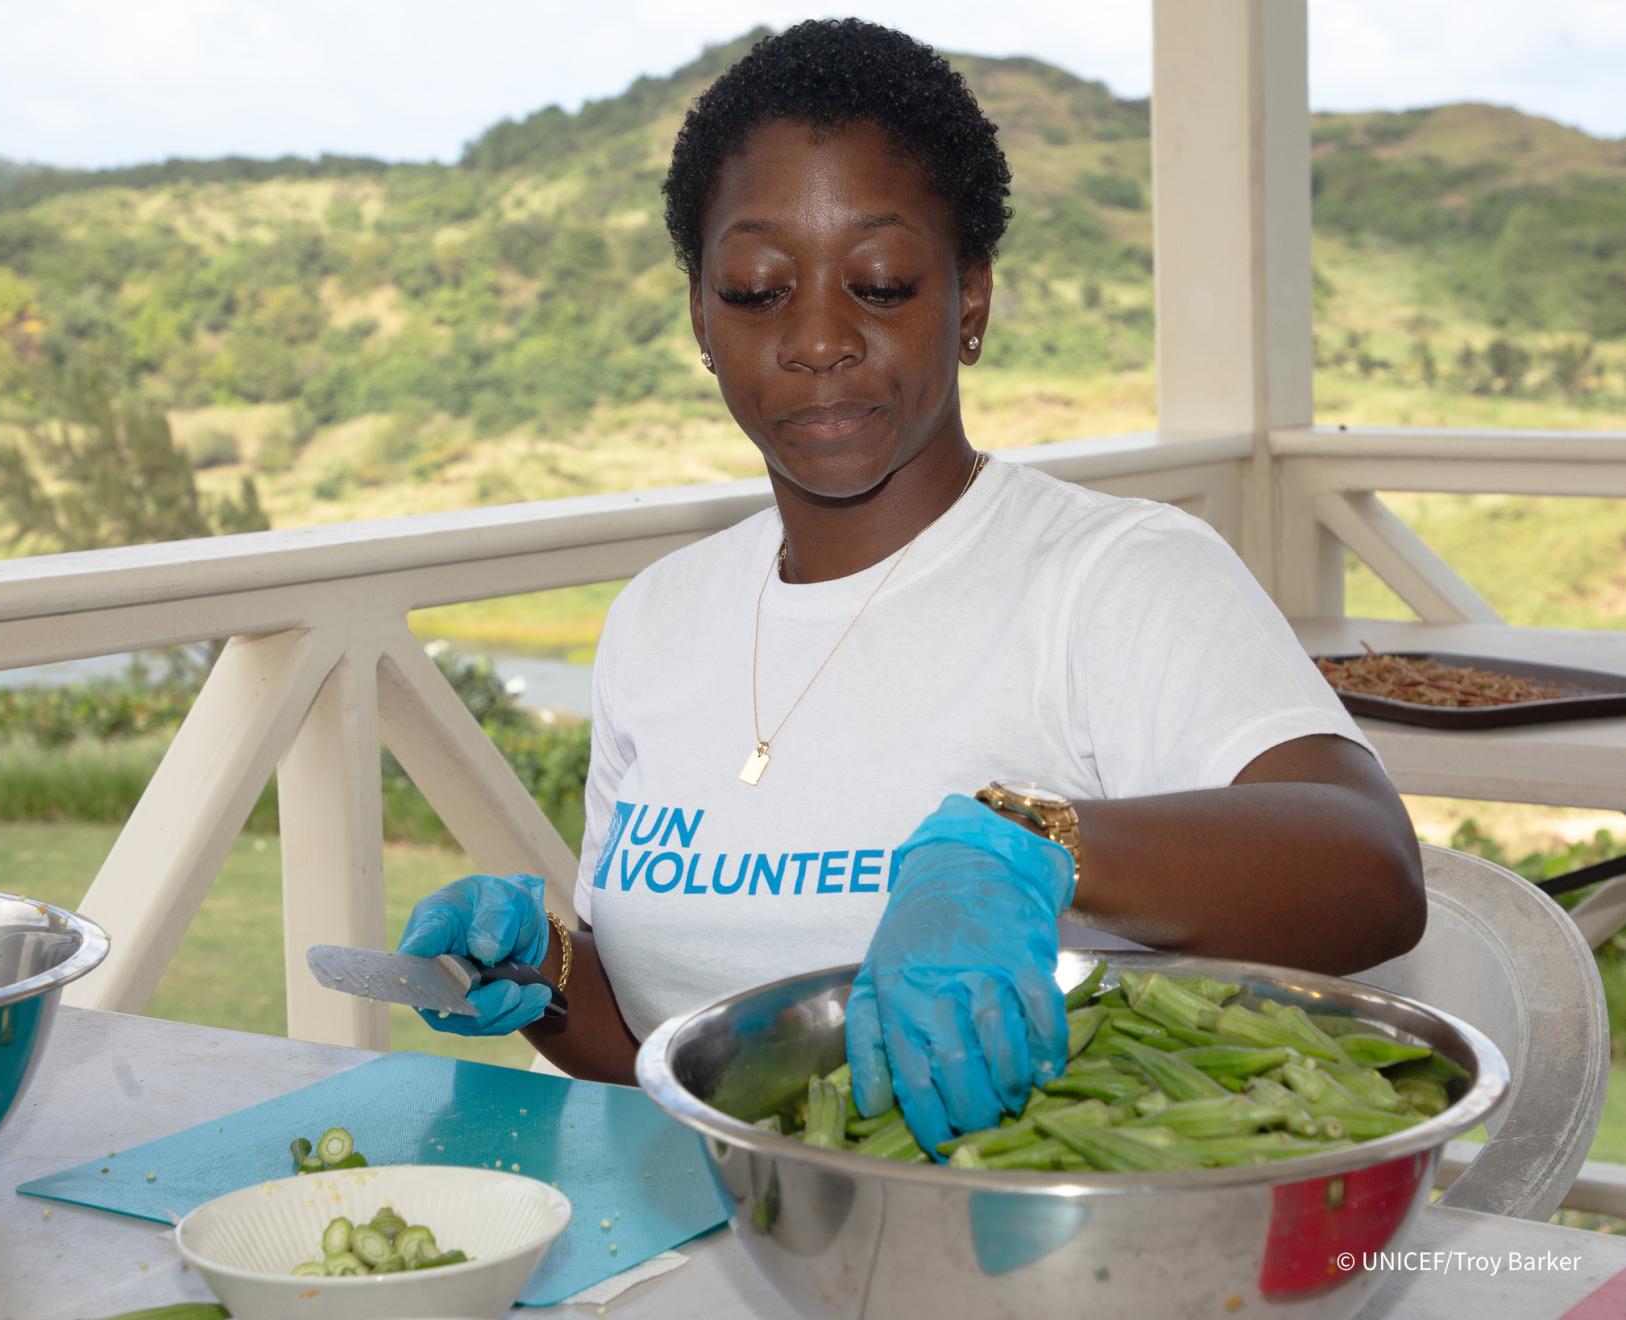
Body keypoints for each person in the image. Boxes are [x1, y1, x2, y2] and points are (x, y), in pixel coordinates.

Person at [397, 18, 1425, 1156]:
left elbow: (1369, 867)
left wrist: (1034, 850)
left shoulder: (1111, 576)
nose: (820, 338)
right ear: (699, 313)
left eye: (882, 284)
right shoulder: (660, 619)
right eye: (755, 290)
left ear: (970, 300)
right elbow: (672, 1054)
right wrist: (543, 974)